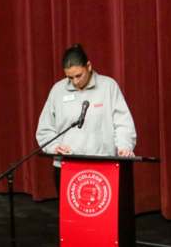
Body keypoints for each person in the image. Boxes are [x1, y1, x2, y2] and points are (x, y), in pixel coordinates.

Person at [36, 44, 137, 187]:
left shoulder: (108, 86)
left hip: (104, 167)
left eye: (79, 75)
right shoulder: (57, 90)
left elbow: (123, 124)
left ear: (89, 66)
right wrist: (54, 146)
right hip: (67, 167)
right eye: (70, 77)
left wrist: (125, 146)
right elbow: (45, 129)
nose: (75, 81)